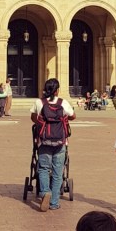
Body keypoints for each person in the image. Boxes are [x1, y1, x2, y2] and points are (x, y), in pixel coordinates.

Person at [31, 78, 75, 212]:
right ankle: (54, 202)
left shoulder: (39, 102)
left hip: (44, 141)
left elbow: (33, 117)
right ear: (57, 91)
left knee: (43, 168)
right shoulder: (63, 103)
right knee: (57, 172)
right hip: (60, 142)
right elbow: (73, 116)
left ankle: (45, 193)